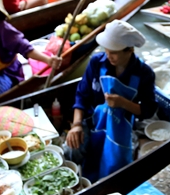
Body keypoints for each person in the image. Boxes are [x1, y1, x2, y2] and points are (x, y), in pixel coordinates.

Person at [64, 20, 157, 181]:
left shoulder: (144, 73)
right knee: (71, 150)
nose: (109, 55)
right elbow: (81, 95)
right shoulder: (96, 63)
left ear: (129, 50)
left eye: (114, 52)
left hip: (122, 127)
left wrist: (124, 103)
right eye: (106, 50)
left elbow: (148, 110)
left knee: (115, 170)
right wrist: (77, 125)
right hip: (92, 122)